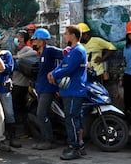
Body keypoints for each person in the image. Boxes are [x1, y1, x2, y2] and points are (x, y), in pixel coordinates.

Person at [48, 24, 87, 160]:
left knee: (71, 118)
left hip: (74, 90)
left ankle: (75, 147)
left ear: (72, 36)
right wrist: (53, 73)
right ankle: (77, 145)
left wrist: (54, 74)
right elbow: (62, 65)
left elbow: (68, 68)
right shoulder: (71, 51)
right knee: (73, 118)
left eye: (66, 33)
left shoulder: (78, 51)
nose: (64, 36)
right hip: (69, 90)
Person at [0, 29, 20, 148]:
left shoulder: (6, 54)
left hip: (4, 88)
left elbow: (8, 69)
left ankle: (12, 137)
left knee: (9, 113)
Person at [31, 28, 63, 150]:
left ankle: (48, 140)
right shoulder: (41, 53)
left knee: (41, 114)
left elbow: (66, 56)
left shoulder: (50, 50)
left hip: (48, 88)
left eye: (36, 39)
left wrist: (55, 72)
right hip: (41, 87)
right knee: (44, 114)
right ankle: (45, 139)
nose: (34, 41)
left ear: (42, 40)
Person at [12, 30, 36, 126]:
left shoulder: (26, 49)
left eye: (17, 36)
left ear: (22, 39)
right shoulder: (18, 49)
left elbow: (34, 53)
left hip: (21, 84)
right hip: (16, 82)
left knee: (19, 107)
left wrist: (18, 57)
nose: (16, 38)